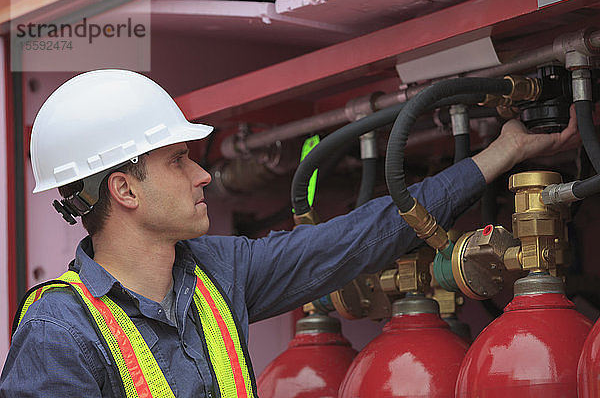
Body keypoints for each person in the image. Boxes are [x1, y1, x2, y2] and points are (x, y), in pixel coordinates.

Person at [0, 69, 580, 397]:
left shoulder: (218, 274)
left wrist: (500, 154)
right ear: (124, 190)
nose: (202, 174)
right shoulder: (60, 333)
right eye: (179, 160)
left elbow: (358, 237)